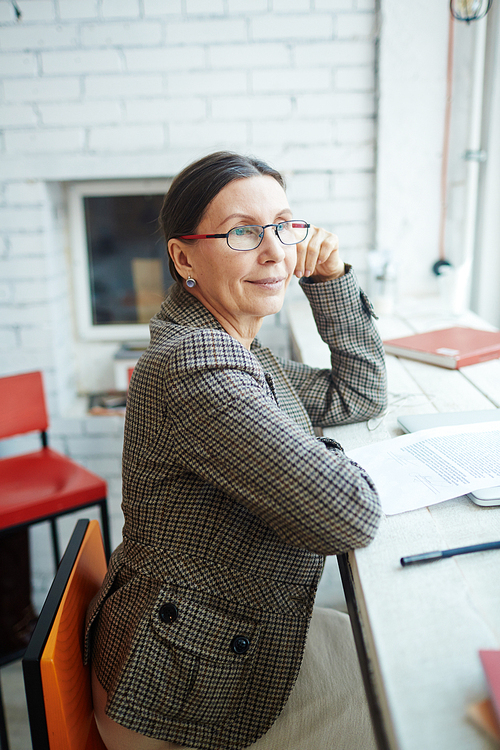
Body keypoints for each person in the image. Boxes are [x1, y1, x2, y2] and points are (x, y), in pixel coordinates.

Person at [85, 151, 387, 750]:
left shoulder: (237, 349)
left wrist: (329, 282)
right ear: (183, 257)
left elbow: (359, 394)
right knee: (417, 717)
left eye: (282, 225)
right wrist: (319, 460)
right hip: (179, 694)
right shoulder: (196, 367)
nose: (275, 251)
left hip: (212, 637)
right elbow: (349, 514)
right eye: (244, 232)